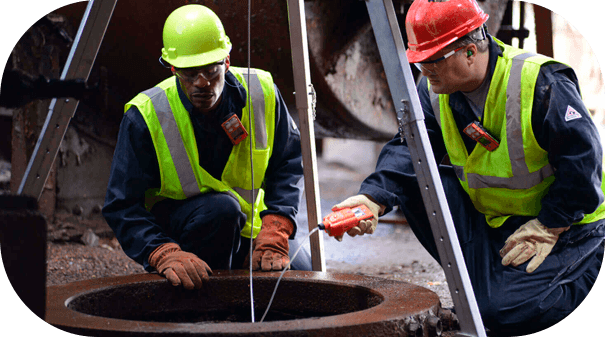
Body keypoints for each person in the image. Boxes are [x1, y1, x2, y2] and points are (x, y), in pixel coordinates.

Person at [333, 0, 605, 335]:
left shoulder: (541, 83)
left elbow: (583, 163)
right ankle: (490, 286)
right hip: (494, 223)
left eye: (432, 60)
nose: (424, 70)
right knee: (421, 182)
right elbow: (410, 148)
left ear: (471, 51)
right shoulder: (434, 91)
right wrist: (373, 198)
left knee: (500, 315)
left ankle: (585, 267)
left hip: (566, 227)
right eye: (418, 61)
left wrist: (551, 224)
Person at [102, 4, 310, 291]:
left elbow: (288, 163)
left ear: (226, 61)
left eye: (211, 71)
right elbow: (121, 205)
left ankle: (239, 264)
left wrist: (276, 228)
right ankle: (208, 303)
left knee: (302, 276)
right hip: (185, 232)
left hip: (250, 229)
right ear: (173, 69)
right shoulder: (146, 114)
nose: (203, 84)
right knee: (222, 210)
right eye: (190, 74)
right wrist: (162, 251)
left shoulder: (262, 92)